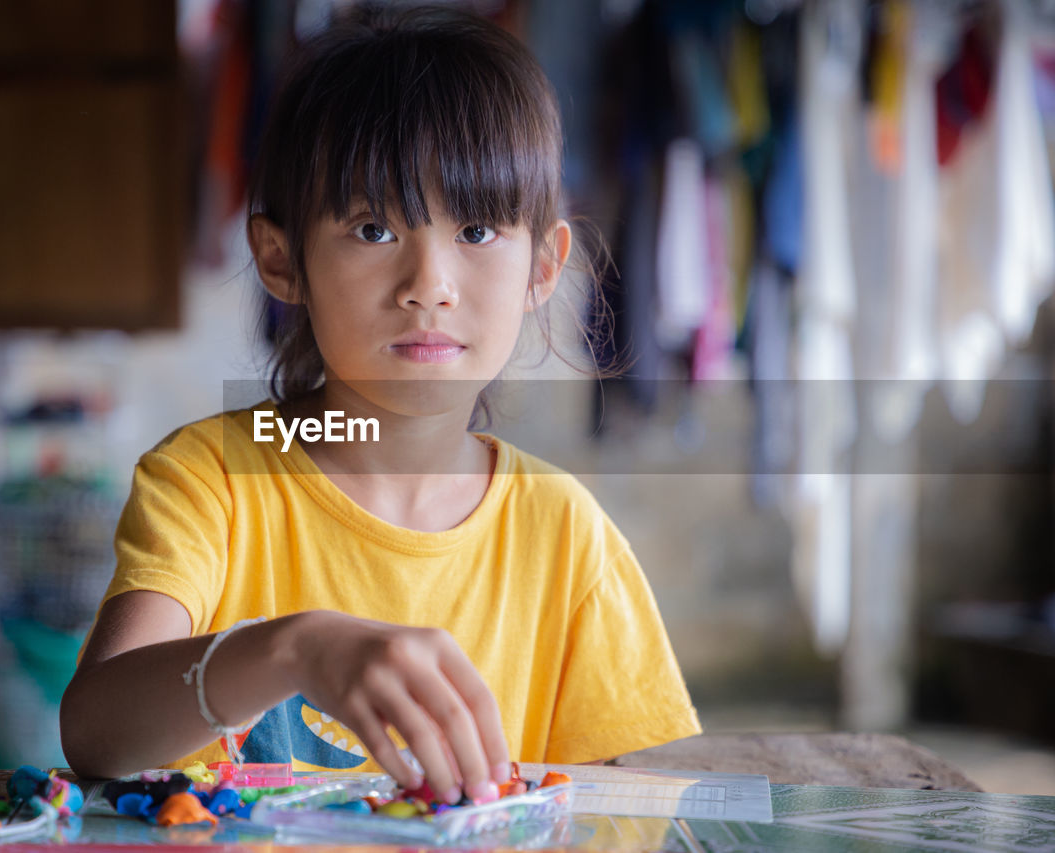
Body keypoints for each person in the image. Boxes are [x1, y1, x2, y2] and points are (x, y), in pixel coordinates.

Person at [60, 4, 700, 803]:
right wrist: (293, 648)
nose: (428, 284)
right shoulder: (210, 482)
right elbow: (94, 735)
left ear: (543, 266)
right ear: (281, 258)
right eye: (371, 229)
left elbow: (618, 816)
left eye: (476, 232)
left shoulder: (567, 537)